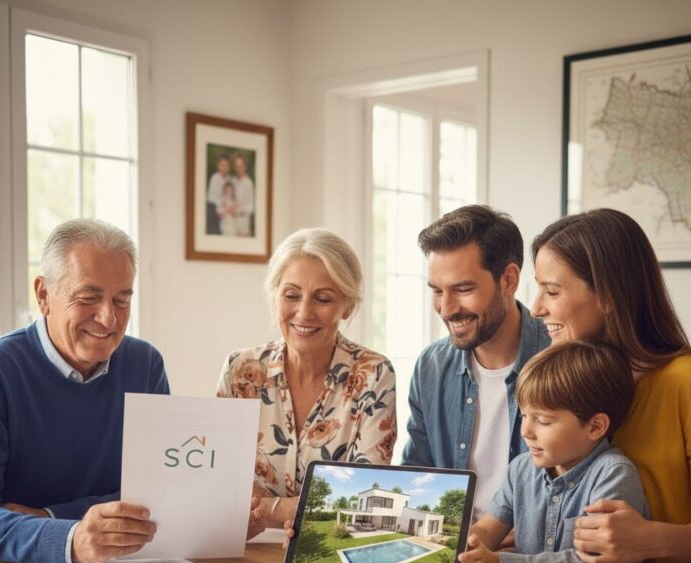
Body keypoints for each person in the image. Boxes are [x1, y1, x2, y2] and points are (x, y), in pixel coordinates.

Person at [0, 219, 166, 563]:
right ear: (43, 296)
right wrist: (71, 540)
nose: (108, 318)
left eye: (121, 300)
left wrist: (51, 516)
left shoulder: (145, 365)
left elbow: (158, 491)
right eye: (88, 298)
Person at [531, 208, 691, 563]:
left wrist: (653, 539)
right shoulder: (561, 383)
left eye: (552, 292)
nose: (536, 308)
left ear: (608, 297)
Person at [217, 228, 397, 536]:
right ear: (275, 296)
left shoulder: (374, 374)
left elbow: (366, 500)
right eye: (291, 295)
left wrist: (269, 510)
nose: (304, 313)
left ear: (347, 306)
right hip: (244, 544)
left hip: (329, 546)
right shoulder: (240, 370)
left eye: (323, 299)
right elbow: (217, 479)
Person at [458, 341, 649, 563]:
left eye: (543, 421)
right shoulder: (521, 469)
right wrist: (465, 548)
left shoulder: (614, 475)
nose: (525, 431)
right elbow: (487, 530)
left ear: (595, 426)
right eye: (524, 415)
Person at [402, 205, 550, 523]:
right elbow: (415, 478)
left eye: (463, 289)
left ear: (508, 280)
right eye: (437, 291)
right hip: (451, 546)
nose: (446, 309)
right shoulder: (431, 367)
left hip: (534, 551)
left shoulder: (562, 360)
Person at [207, 153, 233, 234]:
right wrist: (223, 206)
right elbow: (211, 198)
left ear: (229, 167)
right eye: (222, 165)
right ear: (218, 166)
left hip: (228, 210)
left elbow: (231, 196)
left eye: (226, 165)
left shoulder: (230, 179)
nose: (224, 168)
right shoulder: (214, 178)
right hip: (215, 212)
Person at [232, 153, 254, 237]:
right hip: (232, 223)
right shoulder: (232, 181)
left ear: (245, 167)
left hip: (244, 223)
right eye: (236, 166)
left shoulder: (248, 183)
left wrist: (239, 210)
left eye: (240, 166)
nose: (238, 168)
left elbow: (250, 208)